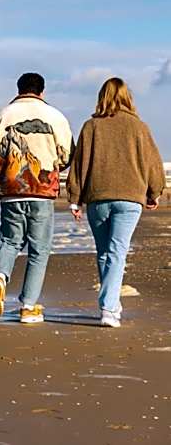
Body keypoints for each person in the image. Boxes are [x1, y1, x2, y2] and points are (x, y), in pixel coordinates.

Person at [66, 77, 165, 328]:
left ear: (102, 97)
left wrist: (74, 198)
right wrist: (155, 192)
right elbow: (153, 162)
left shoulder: (91, 127)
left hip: (98, 198)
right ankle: (109, 308)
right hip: (130, 198)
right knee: (116, 252)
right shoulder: (139, 127)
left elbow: (80, 164)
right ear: (127, 97)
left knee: (106, 253)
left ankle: (110, 305)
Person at [0, 72, 74, 323]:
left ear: (18, 89)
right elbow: (66, 155)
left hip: (10, 192)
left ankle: (0, 277)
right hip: (42, 193)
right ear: (42, 91)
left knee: (10, 241)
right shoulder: (56, 117)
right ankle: (28, 306)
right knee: (39, 250)